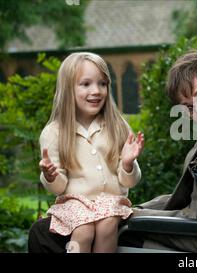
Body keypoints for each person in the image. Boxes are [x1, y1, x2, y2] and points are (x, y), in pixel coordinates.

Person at [28, 50, 197, 253]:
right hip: (195, 229)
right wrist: (134, 210)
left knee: (44, 234)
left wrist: (127, 216)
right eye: (190, 107)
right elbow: (188, 202)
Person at [30, 52, 144, 253]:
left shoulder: (117, 126)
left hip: (110, 202)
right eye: (86, 84)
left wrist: (127, 164)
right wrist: (50, 175)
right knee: (83, 230)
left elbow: (129, 182)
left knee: (107, 224)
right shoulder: (54, 132)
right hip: (75, 203)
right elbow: (59, 187)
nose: (96, 91)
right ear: (68, 89)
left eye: (102, 83)